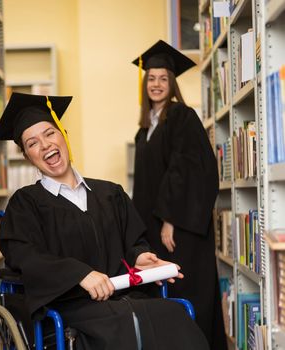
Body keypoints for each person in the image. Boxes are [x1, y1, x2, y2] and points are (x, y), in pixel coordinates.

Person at [0, 92, 209, 350]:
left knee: (175, 317)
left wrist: (140, 257)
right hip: (71, 308)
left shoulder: (110, 193)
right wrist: (79, 275)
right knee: (119, 330)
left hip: (125, 297)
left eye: (50, 133)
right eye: (32, 143)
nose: (45, 145)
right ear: (28, 156)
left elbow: (134, 240)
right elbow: (24, 256)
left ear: (64, 135)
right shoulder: (25, 203)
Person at [131, 40, 226, 349]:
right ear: (145, 84)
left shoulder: (182, 116)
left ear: (172, 83)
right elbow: (145, 184)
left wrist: (171, 218)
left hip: (180, 229)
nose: (157, 84)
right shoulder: (144, 129)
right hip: (156, 229)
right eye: (152, 78)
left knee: (188, 292)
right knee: (163, 295)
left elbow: (190, 169)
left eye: (163, 78)